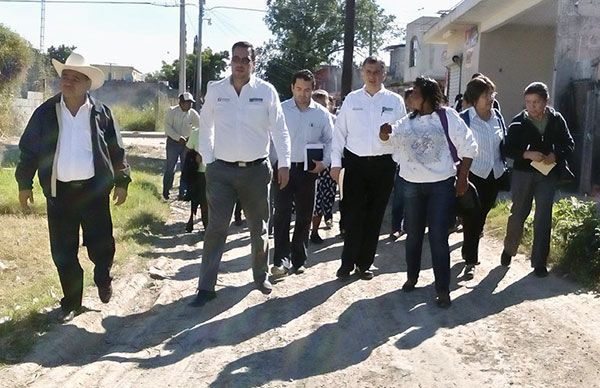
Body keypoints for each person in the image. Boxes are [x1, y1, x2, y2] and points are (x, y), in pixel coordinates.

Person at [15, 52, 131, 322]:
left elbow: (116, 149)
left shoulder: (101, 112)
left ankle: (102, 276)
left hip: (93, 192)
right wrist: (25, 183)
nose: (67, 82)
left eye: (74, 78)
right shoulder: (46, 112)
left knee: (101, 246)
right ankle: (72, 300)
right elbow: (29, 150)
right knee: (63, 251)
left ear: (87, 83)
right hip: (60, 194)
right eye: (64, 77)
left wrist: (122, 180)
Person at [192, 41, 291, 306]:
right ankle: (206, 286)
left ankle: (261, 277)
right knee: (216, 228)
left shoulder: (266, 91)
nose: (239, 63)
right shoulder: (217, 90)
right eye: (235, 58)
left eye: (245, 59)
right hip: (221, 171)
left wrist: (284, 163)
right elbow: (205, 125)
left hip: (256, 171)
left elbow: (279, 130)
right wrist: (209, 160)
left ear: (253, 63)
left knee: (258, 229)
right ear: (230, 61)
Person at [380, 76, 478, 308]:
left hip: (441, 187)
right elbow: (391, 142)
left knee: (438, 237)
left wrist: (462, 178)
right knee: (413, 234)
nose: (410, 95)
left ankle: (442, 288)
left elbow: (468, 145)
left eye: (413, 92)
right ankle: (411, 277)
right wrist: (384, 134)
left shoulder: (447, 117)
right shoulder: (407, 121)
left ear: (425, 95)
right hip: (411, 186)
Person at [330, 56, 406, 280]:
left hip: (383, 166)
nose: (372, 76)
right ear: (362, 74)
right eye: (368, 72)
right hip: (355, 164)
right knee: (353, 216)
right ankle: (347, 263)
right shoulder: (352, 100)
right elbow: (339, 134)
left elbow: (402, 134)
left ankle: (365, 264)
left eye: (377, 72)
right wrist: (336, 163)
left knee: (375, 217)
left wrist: (399, 161)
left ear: (384, 74)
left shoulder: (395, 101)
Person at [500, 82, 575, 277]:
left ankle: (539, 262)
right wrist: (526, 154)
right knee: (519, 212)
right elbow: (506, 149)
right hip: (523, 174)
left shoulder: (557, 120)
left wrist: (555, 155)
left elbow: (569, 144)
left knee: (543, 216)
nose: (532, 106)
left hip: (547, 174)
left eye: (536, 102)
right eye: (528, 102)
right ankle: (509, 249)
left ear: (546, 101)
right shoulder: (518, 122)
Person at [272, 71, 333, 276]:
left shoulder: (321, 114)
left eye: (307, 90)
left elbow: (330, 141)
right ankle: (281, 260)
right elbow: (271, 139)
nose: (303, 94)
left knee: (305, 215)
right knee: (281, 214)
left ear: (312, 89)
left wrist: (324, 163)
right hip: (284, 169)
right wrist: (276, 164)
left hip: (309, 171)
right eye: (299, 89)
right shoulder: (281, 110)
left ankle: (298, 259)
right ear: (292, 88)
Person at [458, 76, 508, 278]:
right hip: (473, 174)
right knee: (472, 215)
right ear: (475, 97)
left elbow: (503, 142)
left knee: (482, 214)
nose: (490, 98)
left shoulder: (498, 117)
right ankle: (470, 258)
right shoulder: (464, 118)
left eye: (491, 94)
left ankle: (469, 246)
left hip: (494, 174)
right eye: (486, 95)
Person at [310, 89, 337, 244]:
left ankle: (314, 231)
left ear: (329, 104)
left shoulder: (334, 120)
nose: (320, 106)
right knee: (307, 201)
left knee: (321, 201)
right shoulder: (305, 117)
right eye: (317, 102)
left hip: (326, 167)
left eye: (324, 103)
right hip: (307, 165)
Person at [163, 92, 200, 200]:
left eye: (190, 103)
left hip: (187, 144)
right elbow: (167, 127)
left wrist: (192, 139)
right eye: (187, 103)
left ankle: (182, 192)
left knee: (185, 167)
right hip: (173, 143)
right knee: (170, 167)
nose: (189, 105)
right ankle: (166, 190)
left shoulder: (192, 113)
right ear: (181, 103)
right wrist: (178, 137)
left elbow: (200, 126)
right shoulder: (172, 111)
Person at [389, 87, 415, 240]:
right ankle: (395, 227)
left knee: (412, 201)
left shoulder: (424, 118)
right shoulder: (401, 120)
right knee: (399, 198)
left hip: (417, 167)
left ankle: (409, 226)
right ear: (406, 101)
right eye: (410, 98)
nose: (413, 101)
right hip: (401, 165)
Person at [182, 127, 208, 233]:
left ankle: (208, 225)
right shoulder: (196, 133)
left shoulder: (222, 130)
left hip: (214, 173)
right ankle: (206, 225)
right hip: (200, 172)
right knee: (202, 200)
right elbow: (188, 150)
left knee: (208, 201)